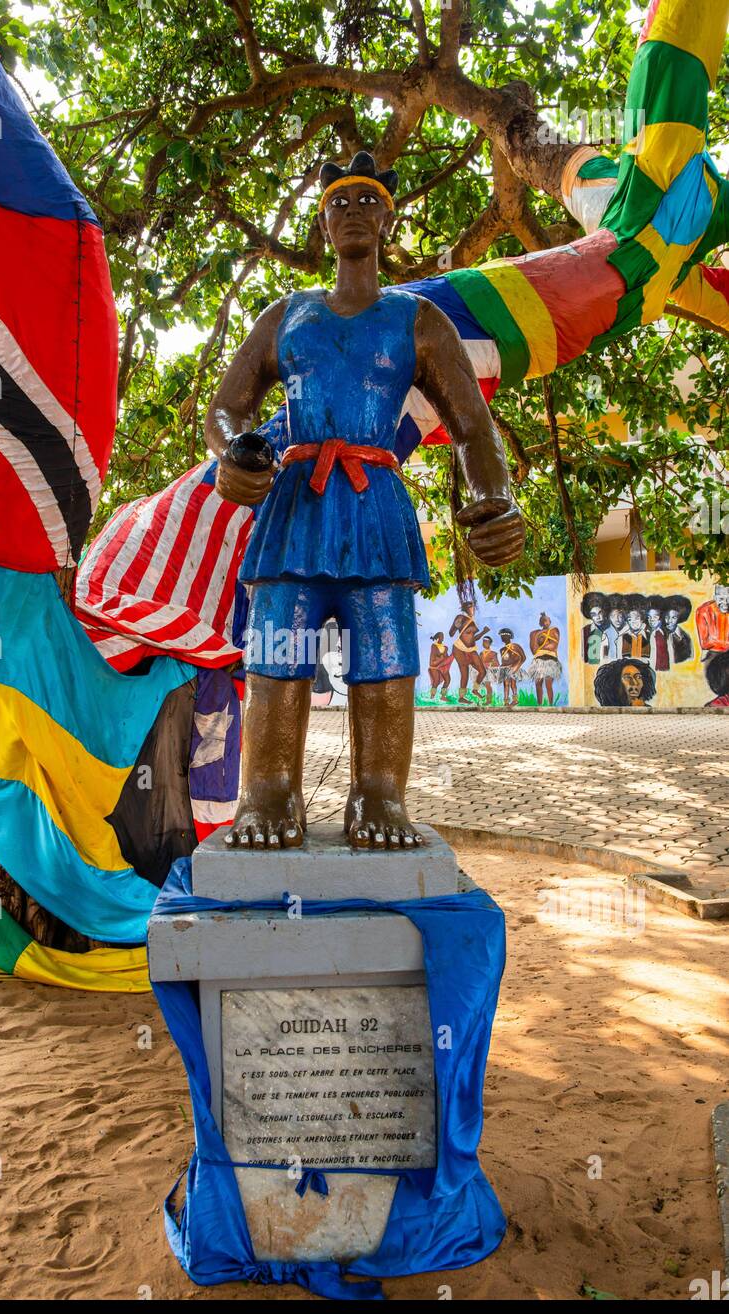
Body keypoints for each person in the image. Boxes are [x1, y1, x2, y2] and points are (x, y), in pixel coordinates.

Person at [208, 151, 525, 850]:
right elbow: (226, 408)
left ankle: (378, 795)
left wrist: (494, 498)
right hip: (292, 506)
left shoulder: (417, 319)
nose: (351, 212)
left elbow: (472, 427)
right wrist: (233, 452)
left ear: (386, 217)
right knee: (275, 651)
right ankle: (268, 793)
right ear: (322, 223)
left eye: (365, 200)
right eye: (337, 203)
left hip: (374, 506)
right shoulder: (285, 315)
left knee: (384, 652)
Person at [450, 601, 490, 703]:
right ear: (466, 608)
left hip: (471, 649)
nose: (473, 610)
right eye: (471, 607)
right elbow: (451, 633)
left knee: (482, 671)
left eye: (473, 608)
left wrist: (484, 632)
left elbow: (473, 638)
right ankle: (461, 697)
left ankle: (475, 689)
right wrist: (456, 625)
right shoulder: (461, 617)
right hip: (459, 648)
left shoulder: (472, 620)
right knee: (465, 672)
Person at [527, 611, 563, 705]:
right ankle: (539, 705)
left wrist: (541, 647)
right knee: (538, 683)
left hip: (550, 660)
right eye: (543, 621)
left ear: (550, 621)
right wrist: (538, 637)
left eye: (547, 620)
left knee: (548, 684)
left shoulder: (554, 630)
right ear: (540, 623)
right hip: (538, 661)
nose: (545, 622)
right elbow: (534, 650)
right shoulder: (534, 633)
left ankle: (550, 705)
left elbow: (553, 645)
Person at [695, 582, 729, 662]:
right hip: (713, 654)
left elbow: (711, 642)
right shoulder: (703, 611)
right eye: (721, 599)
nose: (726, 603)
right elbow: (705, 644)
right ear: (715, 598)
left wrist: (716, 641)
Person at [497, 627, 526, 707]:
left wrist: (516, 667)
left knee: (513, 684)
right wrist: (501, 668)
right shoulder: (502, 649)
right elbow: (504, 660)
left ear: (509, 636)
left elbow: (523, 657)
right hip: (504, 669)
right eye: (501, 636)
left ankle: (515, 700)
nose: (503, 638)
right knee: (505, 684)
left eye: (504, 636)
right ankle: (506, 701)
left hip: (514, 667)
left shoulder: (515, 646)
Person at [663, 596, 694, 664]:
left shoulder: (685, 637)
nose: (669, 621)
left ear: (679, 618)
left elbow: (690, 659)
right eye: (666, 617)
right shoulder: (658, 634)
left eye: (673, 618)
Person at [581, 592, 608, 665]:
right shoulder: (586, 630)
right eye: (593, 615)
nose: (598, 617)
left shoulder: (611, 629)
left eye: (600, 613)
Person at [620, 596, 651, 661]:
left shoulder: (649, 636)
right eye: (630, 619)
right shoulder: (624, 637)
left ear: (642, 619)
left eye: (636, 618)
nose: (633, 622)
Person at [427, 630, 454, 700]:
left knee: (448, 680)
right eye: (441, 636)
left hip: (443, 666)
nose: (443, 638)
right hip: (435, 667)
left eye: (443, 636)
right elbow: (432, 662)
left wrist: (449, 657)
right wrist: (441, 658)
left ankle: (443, 696)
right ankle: (432, 696)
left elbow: (446, 657)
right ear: (438, 638)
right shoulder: (434, 646)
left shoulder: (445, 647)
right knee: (436, 681)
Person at [601, 596, 627, 663]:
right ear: (608, 617)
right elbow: (604, 655)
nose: (617, 620)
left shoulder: (628, 631)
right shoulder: (606, 633)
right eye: (613, 616)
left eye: (620, 616)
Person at [646, 599, 669, 672]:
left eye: (655, 617)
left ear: (660, 618)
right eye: (649, 617)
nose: (651, 620)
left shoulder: (663, 635)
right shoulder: (647, 633)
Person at [478, 635, 500, 705]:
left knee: (488, 685)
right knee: (479, 686)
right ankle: (479, 700)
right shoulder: (481, 653)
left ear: (490, 643)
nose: (484, 644)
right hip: (481, 672)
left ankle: (488, 700)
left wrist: (489, 664)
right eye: (483, 642)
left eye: (486, 642)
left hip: (488, 672)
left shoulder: (493, 653)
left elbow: (496, 663)